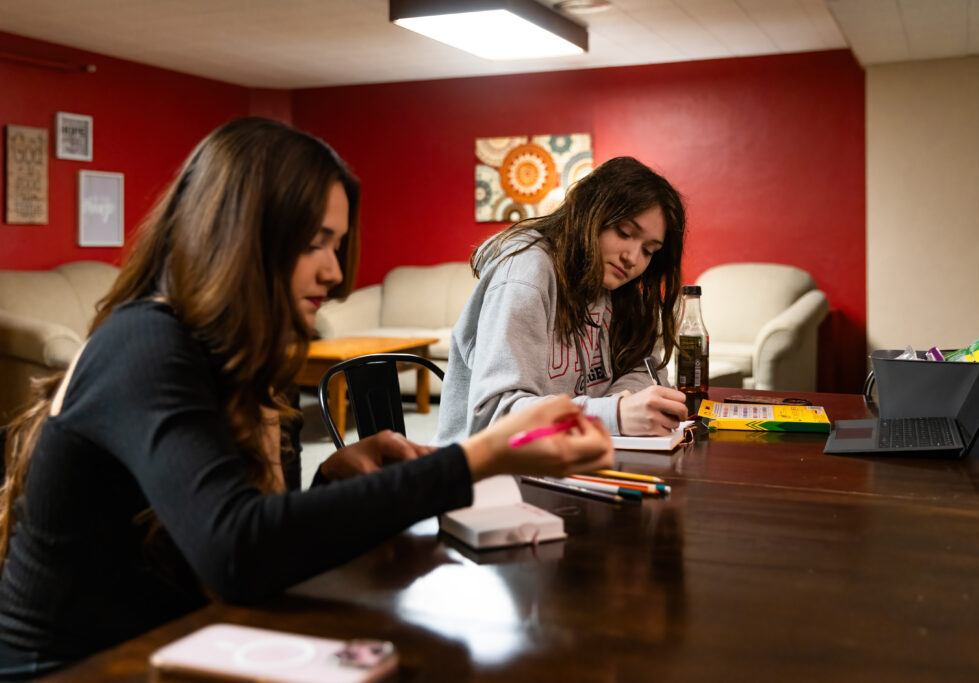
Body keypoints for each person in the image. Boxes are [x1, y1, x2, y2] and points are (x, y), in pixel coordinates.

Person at [0, 117, 613, 678]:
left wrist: (331, 487)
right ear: (241, 236)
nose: (336, 274)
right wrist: (479, 457)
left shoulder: (237, 357)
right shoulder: (145, 345)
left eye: (337, 245)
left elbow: (247, 532)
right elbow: (238, 552)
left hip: (183, 646)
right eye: (315, 243)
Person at [434, 156, 689, 445]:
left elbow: (644, 370)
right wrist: (612, 415)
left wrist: (622, 405)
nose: (632, 258)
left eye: (649, 250)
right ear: (589, 213)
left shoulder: (619, 286)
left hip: (572, 461)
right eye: (624, 233)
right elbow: (494, 417)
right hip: (488, 478)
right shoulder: (525, 273)